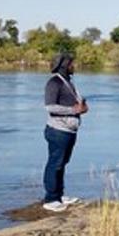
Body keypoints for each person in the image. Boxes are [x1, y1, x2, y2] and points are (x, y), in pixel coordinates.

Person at [43, 52, 87, 212]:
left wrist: (82, 108)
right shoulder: (54, 83)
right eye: (71, 63)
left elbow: (76, 105)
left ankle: (59, 195)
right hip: (57, 130)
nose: (74, 66)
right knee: (55, 163)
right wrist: (72, 110)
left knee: (62, 163)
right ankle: (50, 199)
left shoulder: (68, 82)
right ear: (64, 65)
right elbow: (50, 107)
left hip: (69, 130)